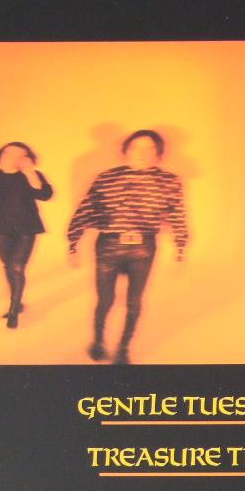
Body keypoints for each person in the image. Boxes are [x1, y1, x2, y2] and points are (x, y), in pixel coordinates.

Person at [67, 129, 190, 364]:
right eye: (135, 148)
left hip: (143, 249)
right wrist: (73, 243)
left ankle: (123, 348)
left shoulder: (169, 181)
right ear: (126, 151)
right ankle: (98, 341)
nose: (142, 153)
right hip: (109, 247)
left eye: (149, 148)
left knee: (134, 301)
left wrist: (181, 249)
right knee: (105, 300)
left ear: (158, 153)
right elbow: (85, 209)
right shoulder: (106, 178)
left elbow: (177, 215)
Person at [0, 142, 53, 328]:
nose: (14, 158)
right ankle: (18, 302)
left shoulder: (31, 175)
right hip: (1, 230)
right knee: (8, 266)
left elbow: (45, 195)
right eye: (10, 153)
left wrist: (30, 172)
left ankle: (13, 310)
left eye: (21, 155)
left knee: (17, 266)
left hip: (27, 228)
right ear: (1, 154)